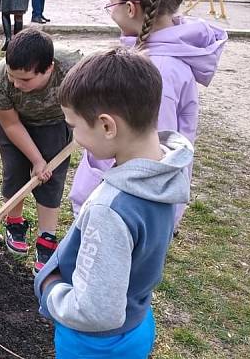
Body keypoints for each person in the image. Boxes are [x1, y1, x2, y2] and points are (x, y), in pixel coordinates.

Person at [35, 48, 194, 359]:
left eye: (74, 126)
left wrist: (51, 290)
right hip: (136, 325)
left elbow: (95, 313)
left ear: (107, 126)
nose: (75, 136)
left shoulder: (111, 210)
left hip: (95, 345)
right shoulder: (165, 172)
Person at [69, 0, 226, 231]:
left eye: (111, 5)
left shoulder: (160, 70)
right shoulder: (153, 56)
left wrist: (110, 209)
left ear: (130, 8)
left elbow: (150, 156)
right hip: (114, 203)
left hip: (122, 213)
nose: (111, 11)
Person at [0, 28, 80, 273]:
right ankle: (14, 223)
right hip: (14, 125)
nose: (16, 83)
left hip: (53, 124)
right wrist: (36, 160)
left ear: (48, 69)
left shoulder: (72, 70)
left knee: (51, 181)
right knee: (15, 173)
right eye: (12, 76)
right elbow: (10, 123)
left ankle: (46, 239)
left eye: (25, 79)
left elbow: (92, 102)